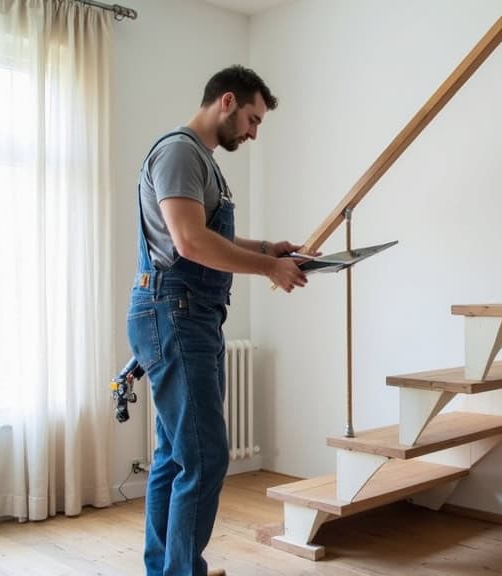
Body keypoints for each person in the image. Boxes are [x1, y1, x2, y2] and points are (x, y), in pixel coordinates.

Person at [127, 65, 308, 576]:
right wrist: (269, 267)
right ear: (226, 102)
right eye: (252, 120)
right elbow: (190, 242)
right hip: (175, 313)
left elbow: (213, 239)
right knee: (204, 458)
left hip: (188, 316)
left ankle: (169, 569)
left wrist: (270, 248)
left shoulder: (201, 160)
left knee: (176, 456)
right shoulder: (181, 152)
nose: (253, 133)